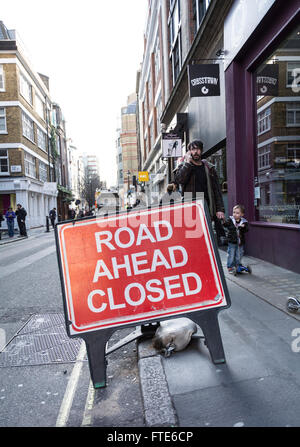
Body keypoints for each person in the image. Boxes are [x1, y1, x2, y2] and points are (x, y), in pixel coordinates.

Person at [174, 139, 225, 221]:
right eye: (193, 149)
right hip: (191, 209)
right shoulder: (183, 167)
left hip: (207, 207)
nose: (195, 152)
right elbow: (180, 180)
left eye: (197, 149)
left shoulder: (209, 167)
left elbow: (216, 190)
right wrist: (187, 163)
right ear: (189, 152)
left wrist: (220, 209)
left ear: (201, 150)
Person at [223, 204, 248, 273]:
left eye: (237, 213)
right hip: (232, 241)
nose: (235, 214)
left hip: (240, 242)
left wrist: (243, 227)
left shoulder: (244, 222)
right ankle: (230, 266)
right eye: (234, 212)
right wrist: (224, 221)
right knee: (231, 254)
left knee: (239, 254)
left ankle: (238, 265)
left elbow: (246, 230)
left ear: (242, 214)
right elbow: (226, 225)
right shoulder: (230, 220)